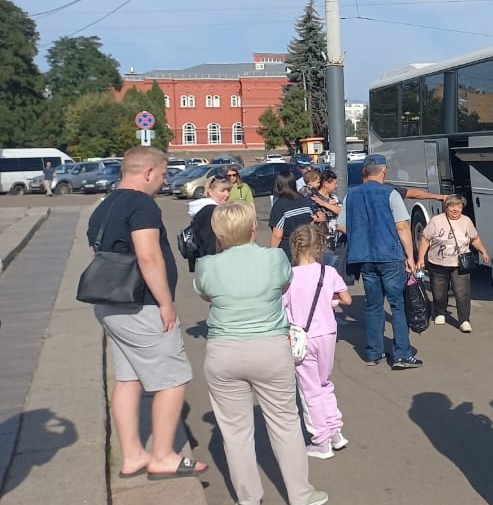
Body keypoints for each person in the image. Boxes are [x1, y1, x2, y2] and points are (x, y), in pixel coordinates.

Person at [86, 146, 207, 480]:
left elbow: (97, 251)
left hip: (109, 304)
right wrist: (166, 302)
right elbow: (148, 256)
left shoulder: (104, 205)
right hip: (141, 304)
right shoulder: (141, 204)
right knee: (173, 379)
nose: (165, 180)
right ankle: (164, 456)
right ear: (149, 172)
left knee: (128, 379)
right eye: (165, 173)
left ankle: (133, 456)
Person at [194, 202, 327, 505]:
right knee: (284, 423)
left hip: (224, 350)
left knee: (235, 432)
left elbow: (205, 294)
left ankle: (249, 498)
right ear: (253, 228)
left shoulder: (207, 265)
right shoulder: (274, 258)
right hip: (270, 347)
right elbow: (283, 285)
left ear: (218, 233)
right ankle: (301, 495)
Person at [342, 153, 423, 369]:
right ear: (384, 170)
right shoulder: (391, 193)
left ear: (365, 172)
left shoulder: (351, 195)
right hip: (390, 256)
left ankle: (373, 353)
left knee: (373, 305)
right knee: (397, 305)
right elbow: (402, 226)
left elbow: (342, 225)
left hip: (365, 257)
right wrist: (411, 257)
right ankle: (402, 354)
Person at [284, 224, 352, 460]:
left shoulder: (289, 277)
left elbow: (282, 307)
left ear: (295, 247)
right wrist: (329, 301)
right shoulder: (328, 272)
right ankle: (335, 431)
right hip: (328, 334)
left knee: (309, 390)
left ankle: (320, 441)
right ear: (320, 247)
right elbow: (346, 299)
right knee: (324, 383)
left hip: (301, 337)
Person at [416, 194, 491, 333]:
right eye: (452, 206)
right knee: (439, 292)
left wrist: (484, 252)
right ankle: (440, 312)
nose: (456, 210)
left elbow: (474, 238)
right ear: (446, 207)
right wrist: (421, 259)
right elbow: (425, 239)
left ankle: (464, 320)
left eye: (459, 206)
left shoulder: (466, 221)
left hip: (459, 264)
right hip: (437, 263)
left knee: (462, 293)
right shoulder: (436, 221)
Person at [268, 170, 323, 259]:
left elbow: (277, 235)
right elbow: (311, 224)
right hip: (305, 248)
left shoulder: (279, 205)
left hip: (288, 250)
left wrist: (272, 254)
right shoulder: (303, 200)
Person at [186, 174, 231, 272]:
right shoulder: (211, 211)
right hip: (211, 266)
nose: (227, 195)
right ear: (210, 192)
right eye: (222, 191)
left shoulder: (203, 209)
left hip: (203, 263)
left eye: (228, 190)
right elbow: (210, 243)